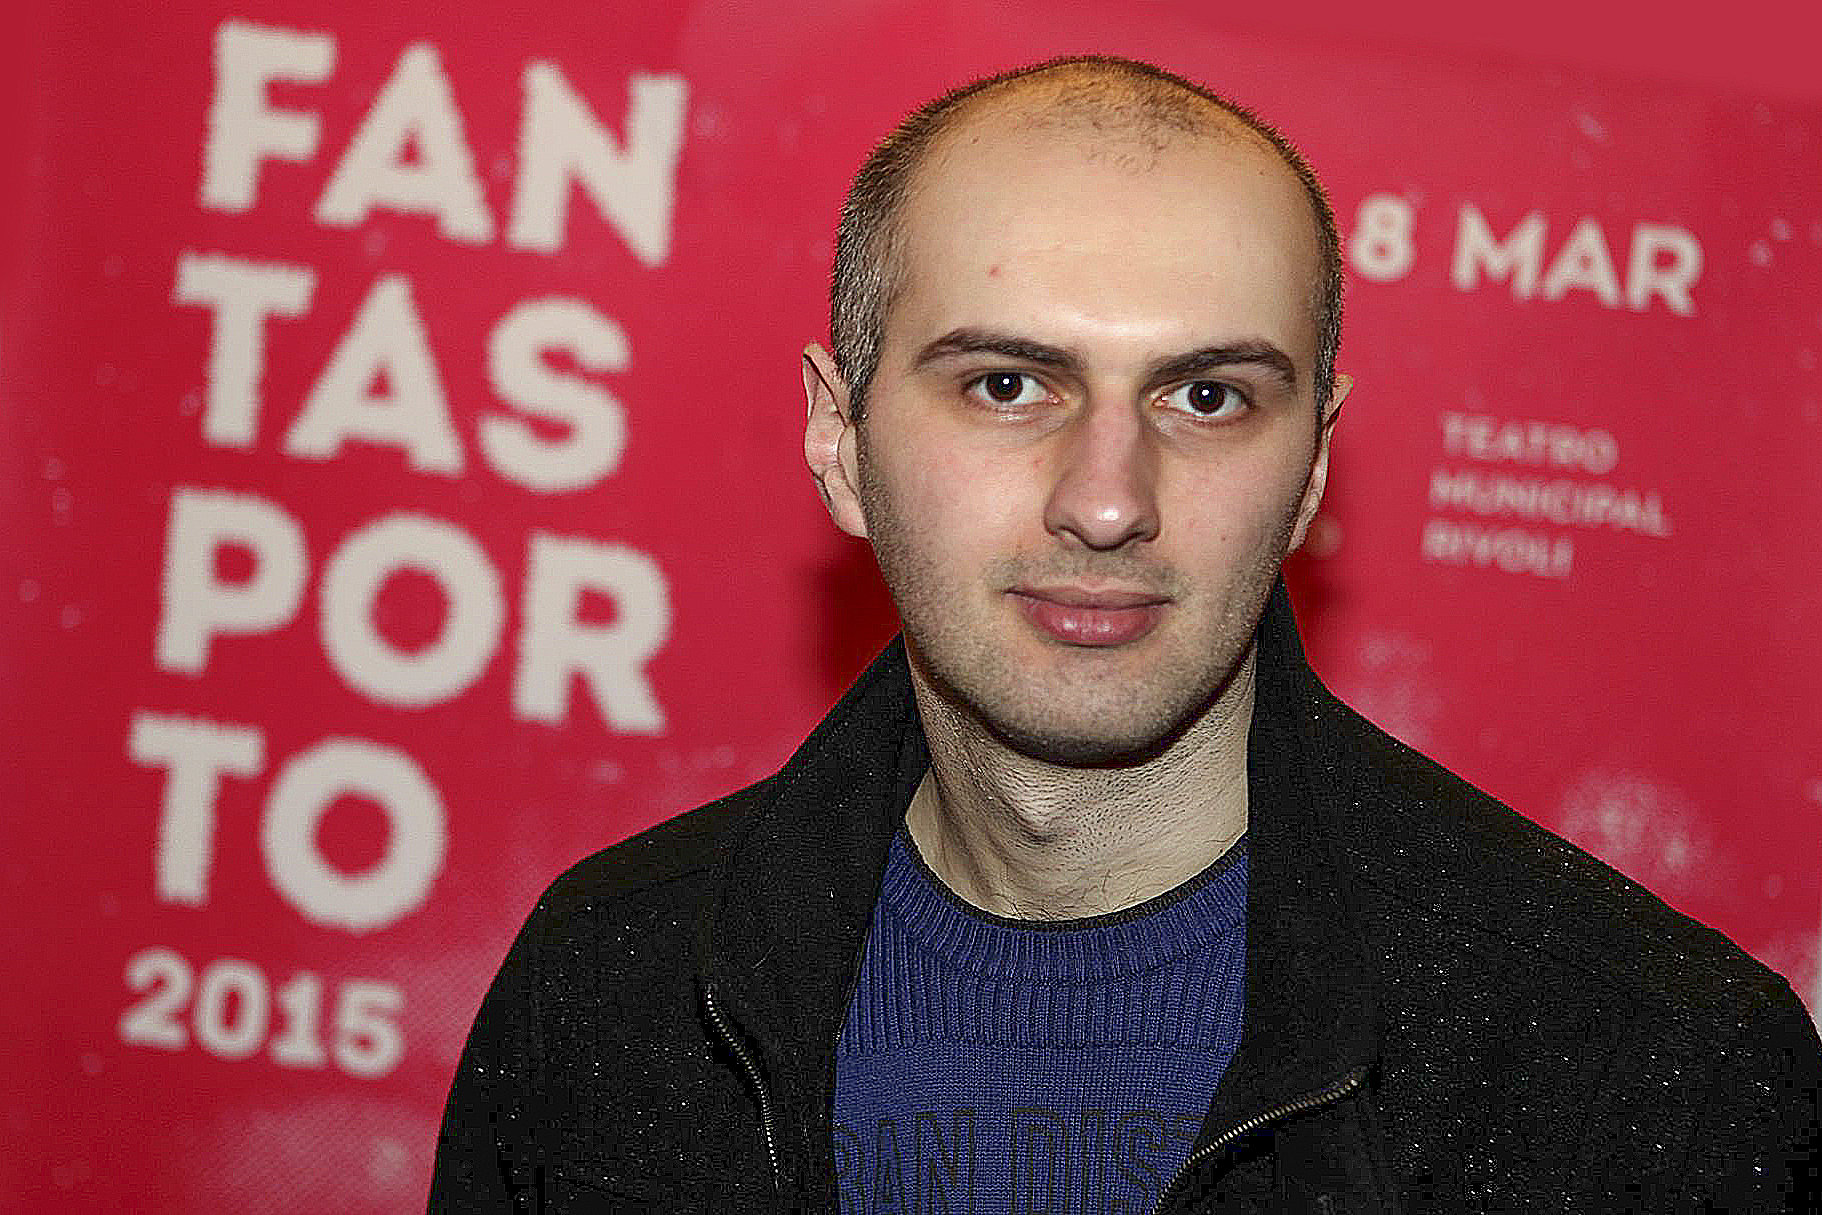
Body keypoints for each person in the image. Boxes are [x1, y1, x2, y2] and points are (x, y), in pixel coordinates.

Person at [429, 56, 1821, 1213]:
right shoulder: (610, 982)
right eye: (1006, 383)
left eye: (1205, 398)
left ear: (1314, 466)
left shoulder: (1648, 1068)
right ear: (838, 438)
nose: (1106, 501)